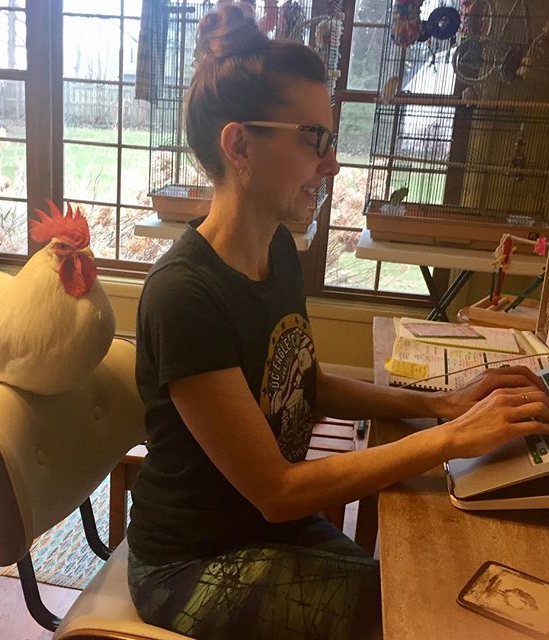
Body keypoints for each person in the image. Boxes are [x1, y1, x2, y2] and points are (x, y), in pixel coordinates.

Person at [126, 5, 549, 639]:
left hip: (268, 529)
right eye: (314, 139)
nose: (332, 164)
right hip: (190, 562)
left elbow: (307, 384)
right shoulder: (184, 295)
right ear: (239, 146)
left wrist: (443, 404)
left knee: (422, 586)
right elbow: (278, 490)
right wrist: (453, 438)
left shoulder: (275, 249)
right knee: (415, 614)